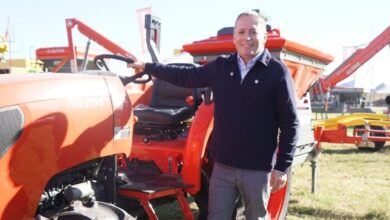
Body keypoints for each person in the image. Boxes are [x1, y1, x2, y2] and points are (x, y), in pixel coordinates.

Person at [128, 11, 299, 220]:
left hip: (257, 169)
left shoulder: (277, 73)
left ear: (264, 36)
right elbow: (184, 76)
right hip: (223, 168)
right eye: (241, 32)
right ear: (234, 37)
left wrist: (281, 168)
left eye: (253, 32)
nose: (247, 37)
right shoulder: (221, 67)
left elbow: (290, 124)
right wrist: (148, 67)